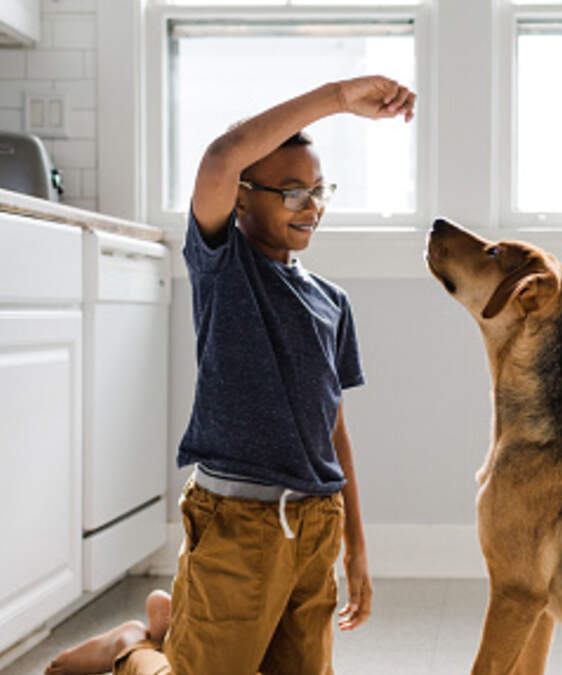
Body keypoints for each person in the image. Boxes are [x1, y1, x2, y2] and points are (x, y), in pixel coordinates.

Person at [45, 75, 417, 675]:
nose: (312, 207)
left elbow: (334, 427)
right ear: (241, 199)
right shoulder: (224, 269)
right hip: (237, 525)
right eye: (292, 193)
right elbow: (221, 157)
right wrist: (339, 99)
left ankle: (172, 625)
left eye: (319, 190)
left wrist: (357, 547)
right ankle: (132, 646)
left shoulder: (332, 303)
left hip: (315, 526)